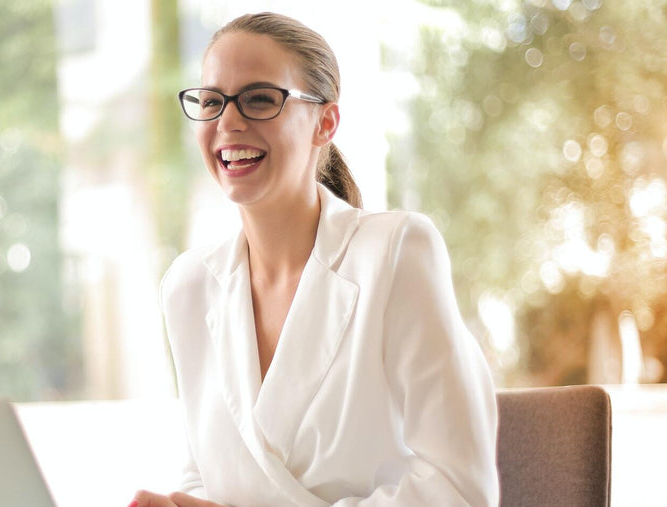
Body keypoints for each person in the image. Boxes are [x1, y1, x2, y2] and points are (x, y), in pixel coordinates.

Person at [129, 12, 499, 507]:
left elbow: (459, 490)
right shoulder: (189, 286)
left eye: (260, 99)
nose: (228, 123)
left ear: (325, 122)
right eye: (212, 101)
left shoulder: (395, 253)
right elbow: (204, 472)